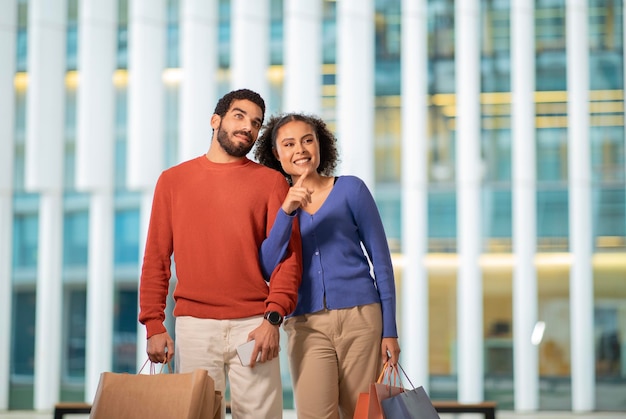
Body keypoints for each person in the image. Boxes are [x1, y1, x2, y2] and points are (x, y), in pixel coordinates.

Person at [138, 89, 303, 419]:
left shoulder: (272, 183)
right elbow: (157, 257)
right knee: (195, 414)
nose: (248, 128)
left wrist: (273, 318)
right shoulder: (172, 181)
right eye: (239, 116)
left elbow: (288, 258)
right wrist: (154, 324)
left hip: (254, 325)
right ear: (216, 120)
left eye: (255, 123)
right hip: (194, 326)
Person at [254, 112, 401, 419]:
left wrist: (390, 331)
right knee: (314, 414)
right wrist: (287, 212)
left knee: (361, 414)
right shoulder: (277, 203)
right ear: (276, 154)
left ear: (320, 145)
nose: (301, 149)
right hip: (306, 324)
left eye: (308, 140)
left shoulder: (351, 190)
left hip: (361, 318)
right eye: (289, 144)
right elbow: (268, 265)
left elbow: (382, 264)